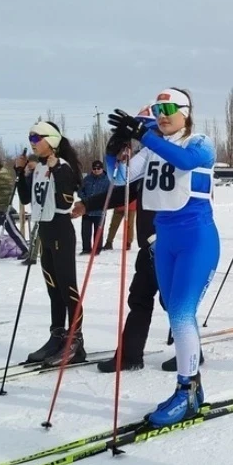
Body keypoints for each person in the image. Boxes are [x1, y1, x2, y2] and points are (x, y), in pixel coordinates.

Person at [106, 87, 219, 426]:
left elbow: (184, 162)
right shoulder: (151, 148)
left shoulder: (199, 142)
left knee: (183, 315)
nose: (163, 114)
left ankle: (185, 391)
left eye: (170, 107)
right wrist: (114, 150)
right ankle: (193, 388)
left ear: (186, 111)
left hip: (196, 239)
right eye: (157, 109)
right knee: (176, 316)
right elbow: (120, 177)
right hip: (163, 240)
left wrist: (144, 134)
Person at [73, 107, 176, 372]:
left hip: (170, 243)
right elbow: (123, 188)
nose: (143, 135)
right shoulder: (146, 159)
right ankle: (130, 356)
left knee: (174, 302)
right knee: (139, 299)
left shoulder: (173, 158)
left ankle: (190, 352)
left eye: (146, 128)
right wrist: (89, 203)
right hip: (148, 246)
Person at [14, 121, 85, 366]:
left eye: (37, 138)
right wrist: (21, 173)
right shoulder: (38, 167)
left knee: (67, 289)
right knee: (53, 289)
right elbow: (26, 199)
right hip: (44, 232)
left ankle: (75, 341)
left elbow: (65, 202)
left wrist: (56, 171)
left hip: (61, 231)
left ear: (52, 140)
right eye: (30, 138)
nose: (33, 142)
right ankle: (56, 337)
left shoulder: (62, 166)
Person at [77, 160, 111, 254]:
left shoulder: (107, 179)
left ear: (102, 169)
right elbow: (80, 191)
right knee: (85, 231)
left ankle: (97, 249)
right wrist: (85, 199)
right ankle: (86, 249)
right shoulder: (87, 179)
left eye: (98, 168)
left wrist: (103, 202)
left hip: (100, 210)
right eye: (94, 168)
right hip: (87, 209)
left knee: (98, 231)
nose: (96, 170)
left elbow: (111, 194)